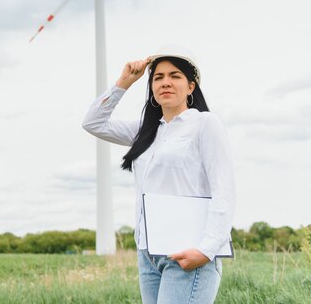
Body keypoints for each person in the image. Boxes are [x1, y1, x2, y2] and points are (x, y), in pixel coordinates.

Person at [82, 45, 235, 304]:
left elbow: (224, 189)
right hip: (149, 251)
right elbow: (93, 122)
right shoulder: (145, 131)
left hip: (189, 248)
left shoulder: (205, 124)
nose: (166, 82)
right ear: (151, 88)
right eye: (158, 77)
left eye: (175, 76)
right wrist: (124, 82)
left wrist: (206, 250)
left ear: (191, 87)